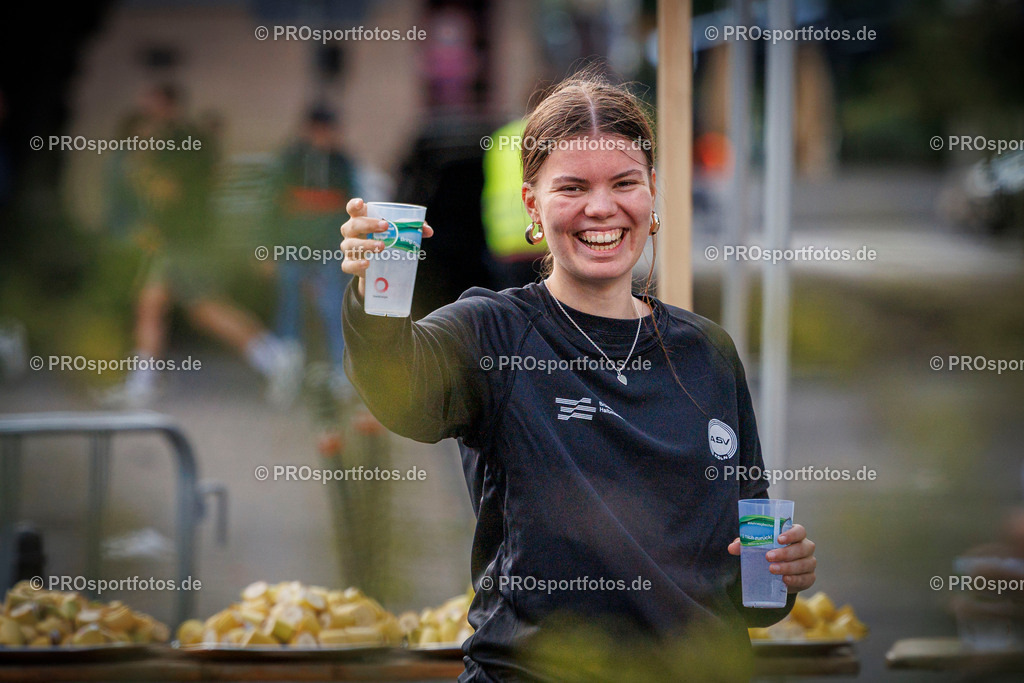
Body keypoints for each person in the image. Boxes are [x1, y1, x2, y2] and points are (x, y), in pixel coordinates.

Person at [340, 71, 817, 681]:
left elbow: (751, 588)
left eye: (624, 182)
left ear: (651, 194)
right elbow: (396, 389)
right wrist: (375, 287)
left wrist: (782, 572)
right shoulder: (493, 332)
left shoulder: (708, 352)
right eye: (572, 187)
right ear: (532, 204)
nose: (601, 207)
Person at [105, 84, 301, 408]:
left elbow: (168, 190)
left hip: (190, 242)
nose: (145, 109)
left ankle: (277, 358)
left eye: (150, 103)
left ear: (167, 104)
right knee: (151, 303)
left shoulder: (180, 142)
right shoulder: (180, 139)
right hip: (177, 241)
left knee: (205, 310)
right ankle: (143, 381)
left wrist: (141, 165)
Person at [269, 106, 359, 400]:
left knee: (334, 307)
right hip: (292, 248)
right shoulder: (289, 160)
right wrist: (269, 248)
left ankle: (341, 372)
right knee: (288, 311)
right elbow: (272, 206)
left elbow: (354, 204)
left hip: (329, 249)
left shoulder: (342, 163)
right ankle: (286, 374)